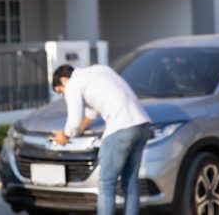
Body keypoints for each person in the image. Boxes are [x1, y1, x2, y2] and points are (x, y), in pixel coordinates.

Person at [51, 64, 151, 215]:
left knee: (106, 184)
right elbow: (91, 113)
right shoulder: (99, 70)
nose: (63, 95)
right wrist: (80, 129)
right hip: (141, 125)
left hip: (120, 129)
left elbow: (73, 121)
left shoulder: (72, 84)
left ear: (63, 80)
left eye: (60, 91)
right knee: (130, 183)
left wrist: (64, 135)